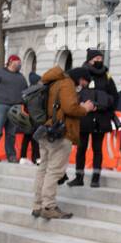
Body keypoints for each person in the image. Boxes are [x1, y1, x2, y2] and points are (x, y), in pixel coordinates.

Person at [30, 64, 88, 220]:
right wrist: (85, 108)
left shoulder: (54, 82)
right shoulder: (67, 83)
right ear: (80, 78)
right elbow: (70, 108)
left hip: (46, 129)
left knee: (43, 169)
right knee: (54, 171)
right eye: (85, 82)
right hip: (60, 133)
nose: (84, 86)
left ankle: (38, 205)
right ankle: (48, 206)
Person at [70, 49, 117, 188]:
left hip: (101, 118)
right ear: (89, 59)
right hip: (84, 116)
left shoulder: (107, 76)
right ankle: (79, 177)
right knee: (81, 148)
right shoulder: (81, 73)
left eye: (100, 58)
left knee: (97, 149)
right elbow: (73, 93)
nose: (99, 60)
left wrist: (107, 109)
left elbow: (114, 96)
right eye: (96, 58)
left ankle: (95, 178)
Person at [17, 67, 42, 165]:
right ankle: (36, 158)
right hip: (35, 119)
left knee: (27, 139)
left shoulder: (26, 92)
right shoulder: (37, 92)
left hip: (26, 119)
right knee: (35, 139)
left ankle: (23, 157)